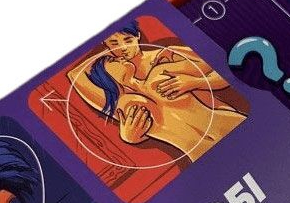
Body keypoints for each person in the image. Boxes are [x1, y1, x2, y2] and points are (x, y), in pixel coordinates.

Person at [67, 22, 246, 161]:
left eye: (128, 40)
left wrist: (193, 82)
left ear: (137, 36)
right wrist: (130, 138)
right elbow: (74, 75)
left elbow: (226, 71)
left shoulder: (162, 64)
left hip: (232, 125)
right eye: (113, 45)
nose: (122, 50)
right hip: (202, 154)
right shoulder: (122, 104)